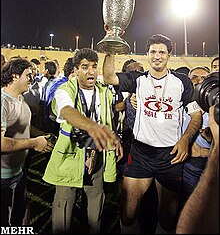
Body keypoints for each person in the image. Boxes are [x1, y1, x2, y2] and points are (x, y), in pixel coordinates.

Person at [103, 33, 202, 234]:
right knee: (127, 211)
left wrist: (185, 140)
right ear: (147, 54)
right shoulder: (136, 79)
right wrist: (111, 44)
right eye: (153, 52)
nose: (157, 56)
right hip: (141, 153)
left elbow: (196, 116)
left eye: (162, 52)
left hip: (170, 155)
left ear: (169, 55)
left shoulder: (182, 82)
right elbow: (108, 76)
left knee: (167, 216)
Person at [42, 48, 123, 234]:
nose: (91, 72)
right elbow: (67, 110)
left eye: (94, 67)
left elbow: (110, 113)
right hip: (70, 158)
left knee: (95, 215)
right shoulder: (65, 89)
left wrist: (113, 135)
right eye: (85, 67)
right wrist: (93, 127)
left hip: (97, 158)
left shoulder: (104, 90)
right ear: (76, 69)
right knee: (63, 215)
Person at [1, 57, 53, 226]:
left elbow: (25, 127)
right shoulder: (3, 102)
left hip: (18, 171)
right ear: (15, 76)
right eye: (28, 75)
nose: (32, 79)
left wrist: (42, 135)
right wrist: (33, 143)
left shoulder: (20, 98)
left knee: (16, 217)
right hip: (3, 178)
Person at [176, 104, 219, 234]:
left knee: (196, 210)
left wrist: (203, 151)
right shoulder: (191, 92)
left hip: (199, 166)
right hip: (179, 160)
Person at [181, 66, 211, 206]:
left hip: (211, 166)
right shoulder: (179, 105)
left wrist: (207, 147)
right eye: (194, 77)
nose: (199, 81)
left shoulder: (215, 108)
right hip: (187, 166)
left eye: (204, 78)